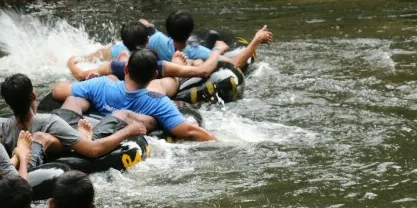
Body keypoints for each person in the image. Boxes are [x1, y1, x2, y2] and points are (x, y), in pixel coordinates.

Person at [52, 49, 216, 141]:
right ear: (153, 75)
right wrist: (218, 142)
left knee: (87, 90)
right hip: (134, 116)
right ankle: (176, 66)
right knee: (161, 85)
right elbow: (189, 131)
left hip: (96, 118)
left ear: (125, 69)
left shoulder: (100, 84)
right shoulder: (158, 101)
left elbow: (58, 91)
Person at [0, 73, 147, 164]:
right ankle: (82, 135)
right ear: (33, 95)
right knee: (120, 116)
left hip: (60, 123)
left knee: (72, 102)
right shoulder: (49, 123)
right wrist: (128, 131)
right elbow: (93, 151)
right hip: (57, 130)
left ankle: (80, 133)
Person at [66, 21, 223, 97]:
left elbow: (80, 75)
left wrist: (70, 63)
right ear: (148, 40)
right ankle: (196, 55)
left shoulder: (116, 66)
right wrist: (217, 50)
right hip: (163, 85)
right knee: (194, 62)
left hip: (126, 88)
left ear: (124, 44)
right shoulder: (159, 66)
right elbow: (203, 71)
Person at [144, 10, 273, 68]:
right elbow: (235, 63)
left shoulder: (156, 39)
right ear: (191, 31)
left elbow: (143, 27)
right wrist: (257, 39)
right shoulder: (197, 52)